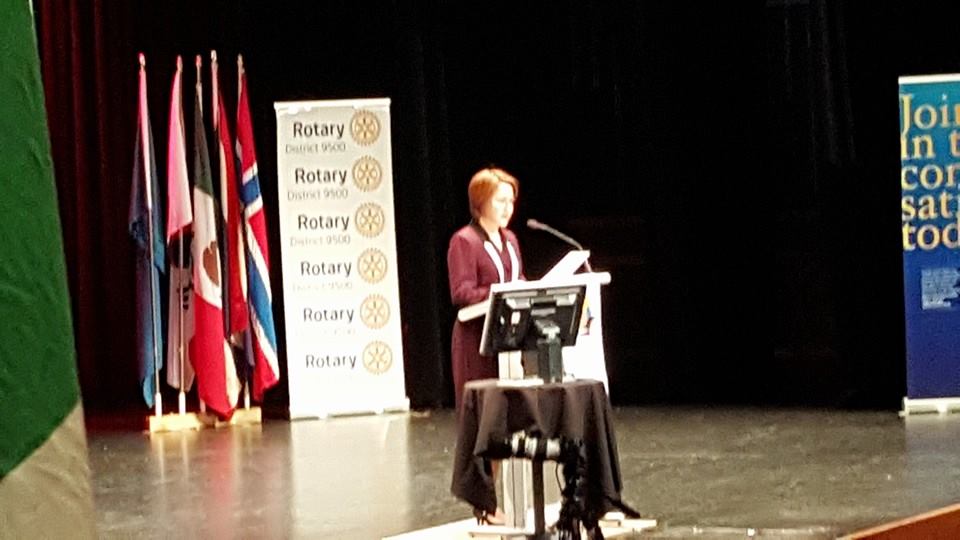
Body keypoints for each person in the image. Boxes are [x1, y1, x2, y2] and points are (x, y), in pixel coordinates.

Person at [447, 167, 523, 525]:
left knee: (505, 422)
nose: (508, 208)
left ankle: (497, 501)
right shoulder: (464, 241)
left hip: (507, 343)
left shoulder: (511, 240)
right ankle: (484, 503)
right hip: (475, 342)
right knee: (483, 422)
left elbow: (518, 279)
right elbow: (461, 291)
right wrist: (502, 293)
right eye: (500, 200)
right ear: (481, 202)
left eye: (511, 201)